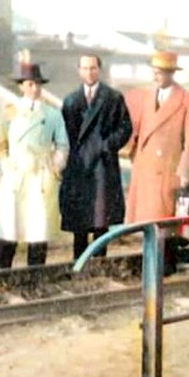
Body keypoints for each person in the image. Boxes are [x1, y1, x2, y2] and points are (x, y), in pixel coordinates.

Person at [125, 50, 189, 273]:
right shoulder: (148, 98)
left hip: (169, 170)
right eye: (154, 72)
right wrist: (133, 154)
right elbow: (138, 130)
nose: (156, 76)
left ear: (171, 73)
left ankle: (166, 267)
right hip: (146, 168)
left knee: (166, 221)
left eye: (161, 72)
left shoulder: (188, 101)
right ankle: (152, 265)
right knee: (149, 221)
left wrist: (185, 172)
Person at [0, 63, 69, 268]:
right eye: (29, 84)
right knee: (10, 227)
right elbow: (0, 145)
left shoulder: (52, 114)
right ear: (21, 86)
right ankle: (1, 275)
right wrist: (6, 167)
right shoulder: (10, 112)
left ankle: (35, 277)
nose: (34, 89)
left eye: (37, 84)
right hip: (16, 176)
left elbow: (63, 145)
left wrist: (54, 168)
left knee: (38, 230)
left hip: (40, 177)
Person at [59, 54, 132, 260]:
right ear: (79, 71)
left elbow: (125, 128)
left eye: (93, 68)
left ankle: (100, 264)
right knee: (80, 220)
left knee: (101, 219)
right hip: (79, 167)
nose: (89, 72)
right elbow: (64, 134)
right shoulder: (71, 100)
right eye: (85, 68)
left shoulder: (113, 98)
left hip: (103, 166)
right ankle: (79, 264)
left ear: (99, 70)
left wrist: (106, 145)